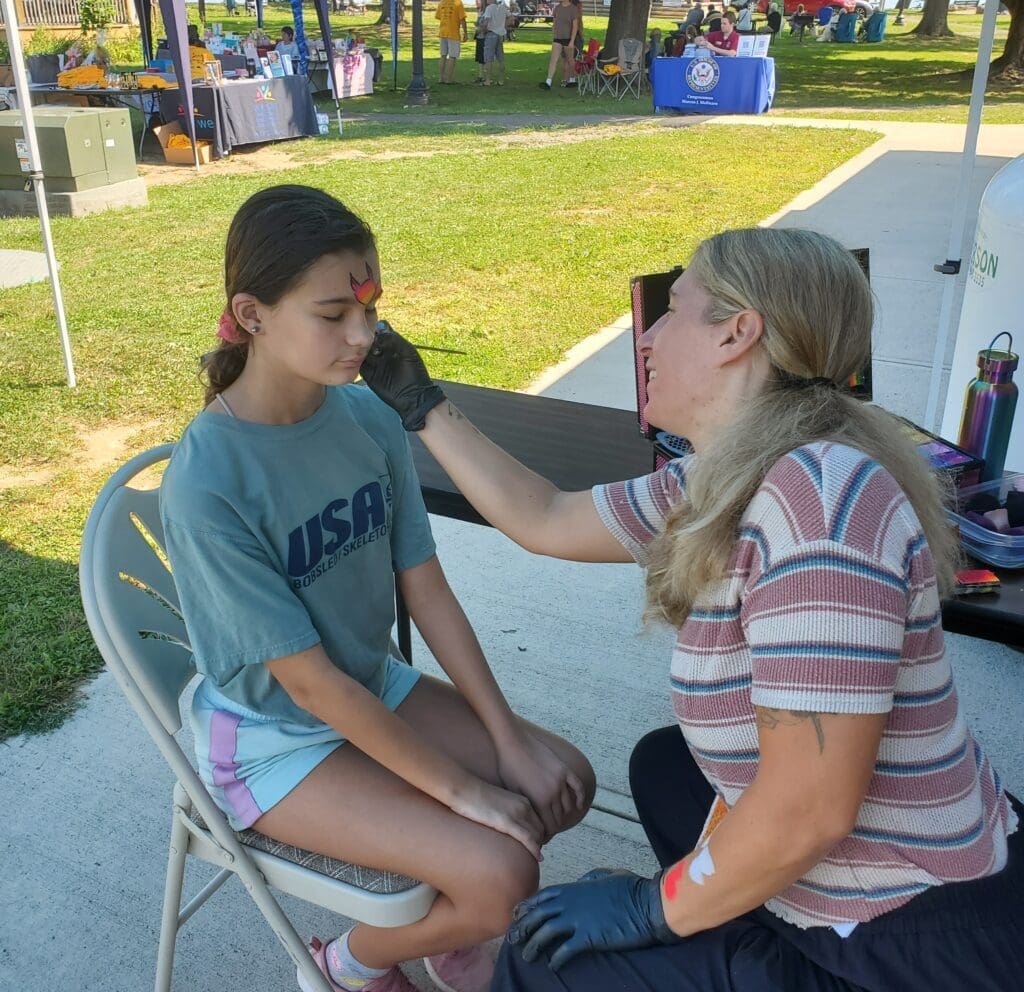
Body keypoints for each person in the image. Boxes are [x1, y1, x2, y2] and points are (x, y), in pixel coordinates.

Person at [360, 226, 1024, 992]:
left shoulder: (820, 505)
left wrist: (655, 908)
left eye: (673, 309)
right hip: (871, 879)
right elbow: (543, 515)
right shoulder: (730, 472)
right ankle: (734, 908)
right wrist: (422, 403)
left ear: (737, 334)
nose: (649, 337)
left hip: (909, 940)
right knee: (665, 766)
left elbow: (810, 813)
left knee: (542, 965)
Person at [160, 186, 595, 992]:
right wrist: (467, 791)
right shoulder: (209, 481)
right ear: (251, 316)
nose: (364, 335)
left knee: (561, 782)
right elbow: (311, 686)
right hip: (272, 741)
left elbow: (426, 590)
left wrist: (506, 740)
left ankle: (450, 931)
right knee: (504, 869)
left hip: (370, 685)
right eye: (333, 314)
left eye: (371, 308)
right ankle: (345, 966)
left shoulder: (367, 420)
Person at [540, 0, 581, 90]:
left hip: (568, 38)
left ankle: (572, 79)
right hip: (557, 38)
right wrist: (554, 35)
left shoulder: (573, 8)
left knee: (570, 60)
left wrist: (572, 41)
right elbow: (554, 23)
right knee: (553, 60)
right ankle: (548, 81)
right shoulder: (557, 8)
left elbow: (575, 26)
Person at [435, 0, 468, 85]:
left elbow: (439, 16)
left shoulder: (442, 1)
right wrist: (465, 33)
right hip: (453, 32)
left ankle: (441, 77)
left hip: (443, 31)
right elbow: (462, 19)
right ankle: (448, 79)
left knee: (443, 55)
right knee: (452, 56)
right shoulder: (458, 2)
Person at [480, 0, 509, 87]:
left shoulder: (489, 8)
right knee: (500, 58)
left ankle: (488, 80)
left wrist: (483, 30)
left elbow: (487, 20)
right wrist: (504, 26)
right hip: (500, 34)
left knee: (488, 58)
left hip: (491, 33)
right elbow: (511, 17)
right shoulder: (503, 7)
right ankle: (501, 80)